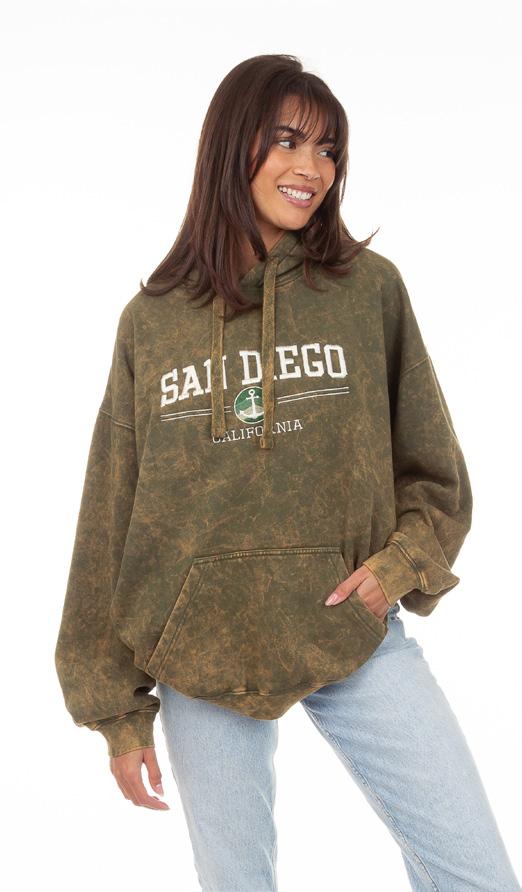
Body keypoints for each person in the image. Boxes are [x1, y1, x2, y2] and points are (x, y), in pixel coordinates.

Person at [54, 54, 521, 891]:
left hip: (349, 627)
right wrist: (117, 713)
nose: (312, 168)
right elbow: (109, 516)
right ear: (231, 144)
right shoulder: (151, 322)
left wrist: (400, 567)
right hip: (203, 652)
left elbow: (434, 468)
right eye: (287, 141)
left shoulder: (367, 291)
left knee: (475, 873)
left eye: (329, 149)